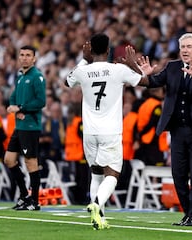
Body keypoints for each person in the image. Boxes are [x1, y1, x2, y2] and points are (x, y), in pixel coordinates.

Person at [65, 33, 146, 230]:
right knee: (113, 174)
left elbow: (67, 82)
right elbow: (144, 82)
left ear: (91, 50)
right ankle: (96, 204)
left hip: (89, 132)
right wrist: (133, 64)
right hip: (110, 131)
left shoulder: (83, 71)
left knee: (96, 173)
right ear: (108, 51)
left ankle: (98, 217)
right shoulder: (118, 70)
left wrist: (84, 59)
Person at [137, 32, 192, 226]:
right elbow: (155, 82)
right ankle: (187, 212)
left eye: (189, 47)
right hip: (178, 130)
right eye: (182, 47)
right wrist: (145, 76)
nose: (184, 50)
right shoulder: (172, 67)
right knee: (177, 174)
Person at [4, 45, 46, 211]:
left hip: (30, 126)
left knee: (31, 162)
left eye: (28, 55)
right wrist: (12, 107)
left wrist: (20, 108)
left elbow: (41, 101)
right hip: (20, 126)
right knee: (9, 160)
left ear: (34, 58)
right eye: (22, 55)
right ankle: (24, 196)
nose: (24, 58)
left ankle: (34, 201)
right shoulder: (20, 77)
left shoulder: (37, 77)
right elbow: (13, 97)